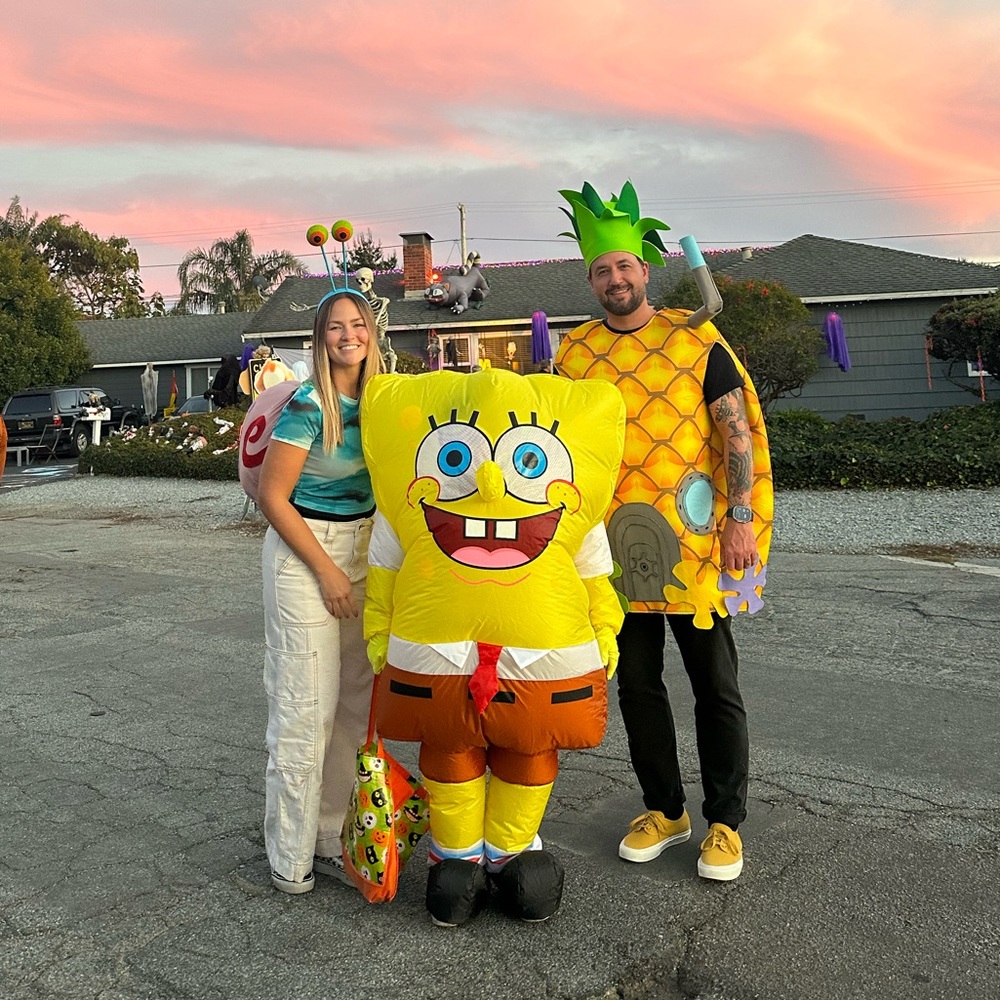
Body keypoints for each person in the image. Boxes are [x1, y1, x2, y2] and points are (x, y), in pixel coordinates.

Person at [554, 181, 773, 883]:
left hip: (698, 541)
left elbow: (735, 433)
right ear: (590, 281)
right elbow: (556, 444)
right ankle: (665, 810)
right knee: (637, 687)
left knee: (714, 684)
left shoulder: (695, 337)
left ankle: (725, 823)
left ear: (646, 269)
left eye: (624, 265)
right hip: (615, 549)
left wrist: (741, 518)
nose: (614, 278)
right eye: (601, 270)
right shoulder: (575, 355)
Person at [256, 288, 386, 894]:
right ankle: (289, 852)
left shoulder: (384, 402)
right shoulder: (308, 405)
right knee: (306, 708)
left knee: (355, 707)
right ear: (320, 338)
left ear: (372, 333)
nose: (347, 334)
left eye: (357, 323)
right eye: (334, 326)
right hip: (307, 553)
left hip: (366, 550)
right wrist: (328, 572)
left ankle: (329, 835)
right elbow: (271, 497)